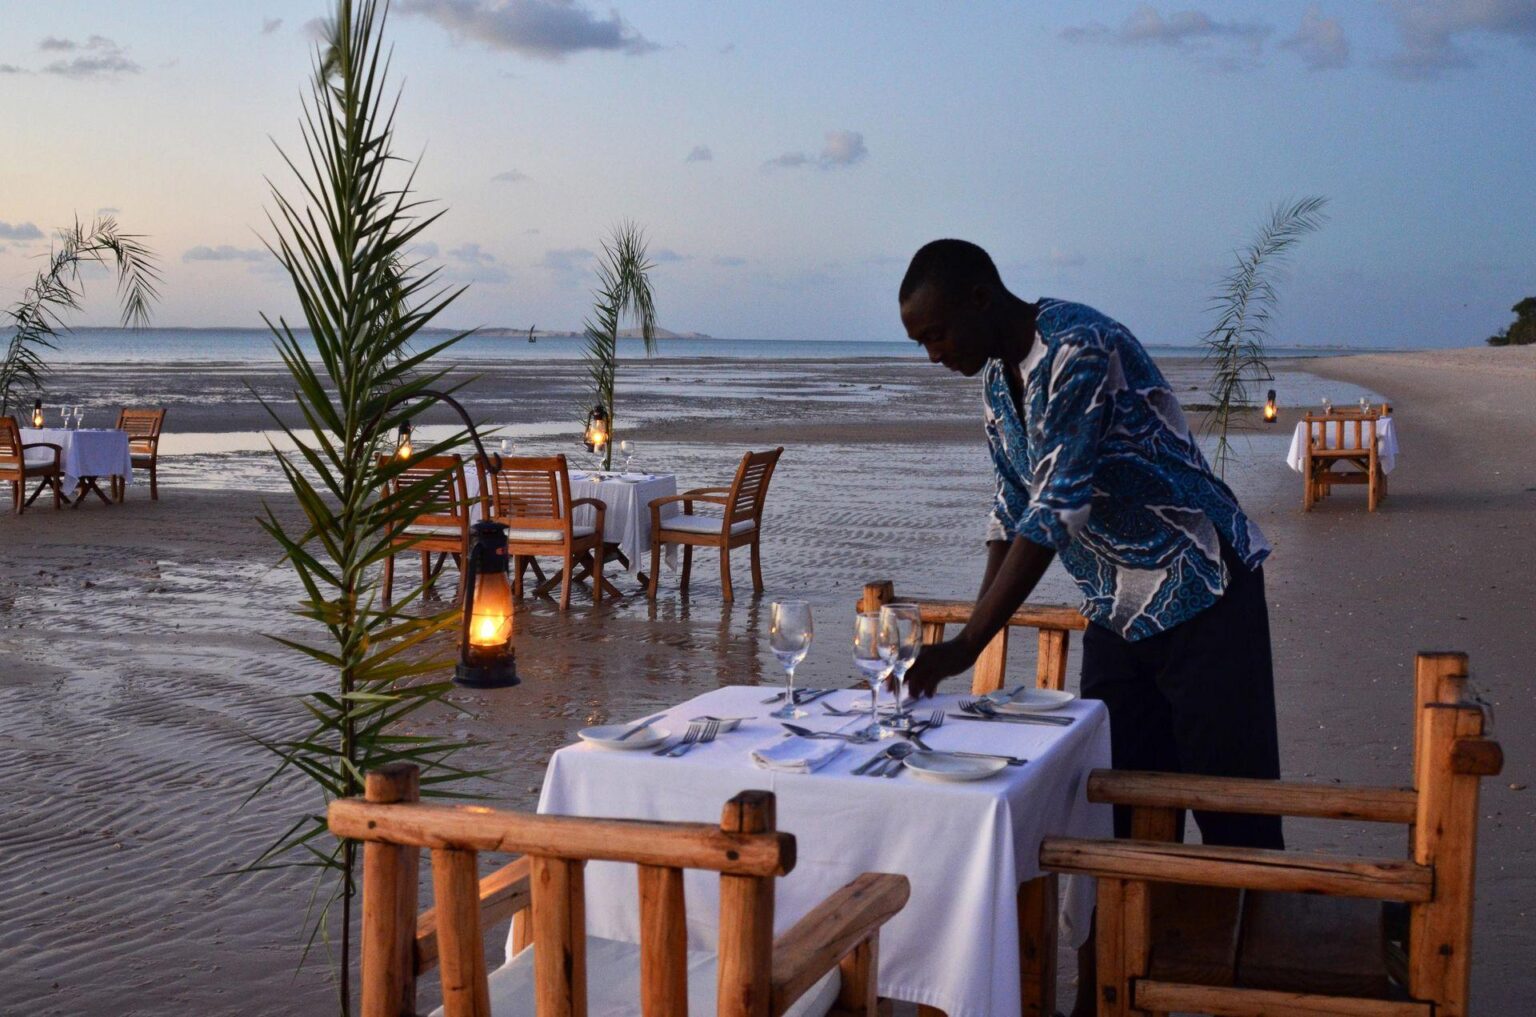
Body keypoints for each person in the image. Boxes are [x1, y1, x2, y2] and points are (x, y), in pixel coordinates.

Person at [899, 238, 1284, 852]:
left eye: (937, 334)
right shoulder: (998, 383)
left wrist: (968, 646)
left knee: (1236, 817)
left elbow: (1058, 507)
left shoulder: (1079, 346)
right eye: (922, 341)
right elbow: (1011, 511)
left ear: (981, 298)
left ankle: (1254, 940)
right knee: (1119, 811)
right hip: (1118, 608)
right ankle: (1140, 949)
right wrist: (974, 631)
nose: (932, 354)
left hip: (1204, 588)